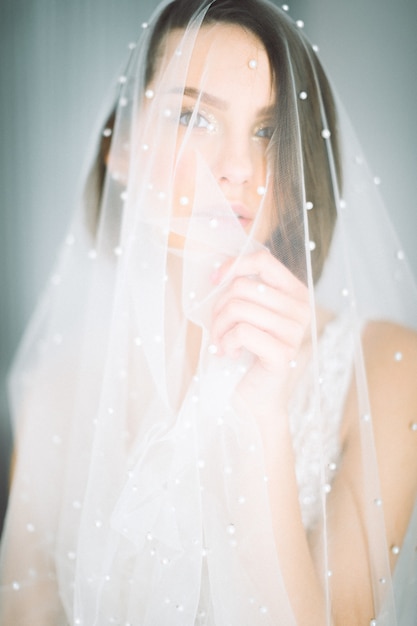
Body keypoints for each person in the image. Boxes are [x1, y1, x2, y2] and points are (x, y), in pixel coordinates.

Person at [1, 0, 417, 623]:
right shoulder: (54, 394)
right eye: (192, 116)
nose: (237, 169)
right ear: (120, 150)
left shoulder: (388, 371)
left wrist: (263, 413)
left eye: (269, 131)